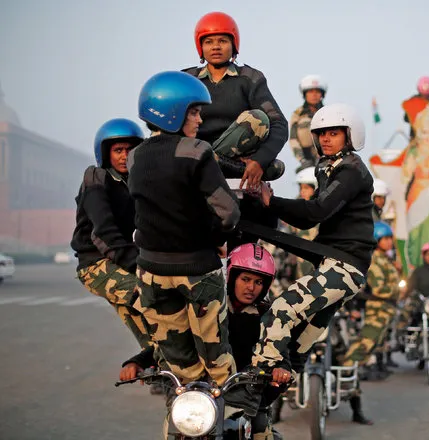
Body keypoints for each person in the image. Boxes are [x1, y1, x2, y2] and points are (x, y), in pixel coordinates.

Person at [224, 103, 375, 416]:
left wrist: (271, 200)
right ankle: (266, 406)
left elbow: (313, 215)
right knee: (301, 341)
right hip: (330, 259)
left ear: (350, 135)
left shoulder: (351, 170)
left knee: (281, 310)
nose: (326, 139)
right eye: (321, 134)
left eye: (334, 133)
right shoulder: (328, 167)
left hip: (345, 265)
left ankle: (253, 386)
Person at [128, 71, 241, 388]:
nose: (199, 120)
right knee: (217, 364)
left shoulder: (135, 156)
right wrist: (216, 239)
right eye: (194, 111)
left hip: (151, 272)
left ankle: (186, 429)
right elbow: (229, 212)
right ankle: (226, 418)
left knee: (180, 368)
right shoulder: (196, 151)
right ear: (173, 112)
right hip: (197, 270)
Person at [120, 243, 284, 440]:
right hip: (198, 395)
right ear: (232, 277)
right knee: (175, 430)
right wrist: (136, 363)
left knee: (259, 429)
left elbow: (279, 350)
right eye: (245, 279)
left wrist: (280, 370)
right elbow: (173, 341)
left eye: (258, 282)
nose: (251, 287)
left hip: (243, 395)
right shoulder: (209, 309)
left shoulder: (268, 317)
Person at [182, 11, 288, 249]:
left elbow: (279, 124)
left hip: (236, 161)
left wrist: (259, 162)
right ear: (200, 46)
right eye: (208, 41)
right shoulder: (187, 79)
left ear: (234, 44)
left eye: (222, 41)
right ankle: (225, 163)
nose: (216, 47)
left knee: (260, 127)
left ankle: (235, 165)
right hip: (195, 157)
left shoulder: (250, 78)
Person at [70, 118, 152, 351]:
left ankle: (158, 367)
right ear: (106, 154)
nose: (124, 156)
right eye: (118, 150)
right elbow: (103, 232)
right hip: (95, 263)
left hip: (119, 258)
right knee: (149, 297)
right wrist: (140, 266)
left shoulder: (135, 183)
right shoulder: (96, 178)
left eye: (130, 150)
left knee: (143, 321)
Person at [343, 221, 400, 384]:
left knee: (376, 342)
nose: (389, 241)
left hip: (386, 307)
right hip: (378, 307)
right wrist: (398, 290)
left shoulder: (385, 259)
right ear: (376, 240)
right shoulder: (375, 260)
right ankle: (345, 371)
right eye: (385, 238)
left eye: (390, 238)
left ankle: (355, 370)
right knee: (366, 342)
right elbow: (379, 289)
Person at [289, 74, 327, 170]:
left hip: (326, 160)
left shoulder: (328, 113)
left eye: (317, 91)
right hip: (306, 161)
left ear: (322, 94)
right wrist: (302, 160)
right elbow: (293, 139)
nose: (314, 94)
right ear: (305, 94)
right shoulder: (297, 115)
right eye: (310, 91)